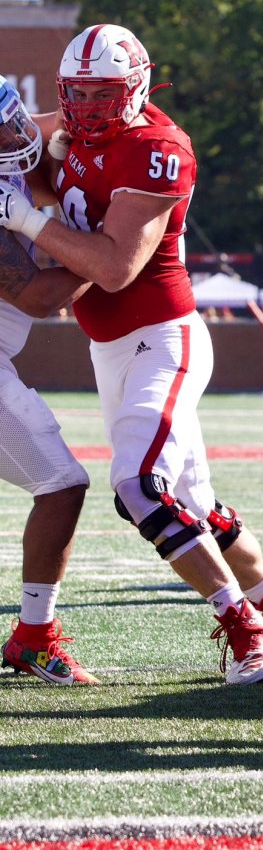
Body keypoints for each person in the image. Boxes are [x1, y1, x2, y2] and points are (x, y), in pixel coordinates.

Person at [0, 23, 263, 684]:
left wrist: (27, 217)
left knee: (138, 485)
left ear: (134, 87)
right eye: (77, 94)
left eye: (103, 94)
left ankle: (245, 628)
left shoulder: (157, 147)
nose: (88, 108)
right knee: (193, 498)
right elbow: (34, 158)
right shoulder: (70, 130)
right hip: (110, 347)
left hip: (162, 336)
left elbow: (111, 268)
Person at [0, 82, 96, 685]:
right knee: (63, 482)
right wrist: (106, 258)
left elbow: (52, 123)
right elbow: (36, 297)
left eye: (10, 118)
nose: (16, 135)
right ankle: (34, 638)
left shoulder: (14, 139)